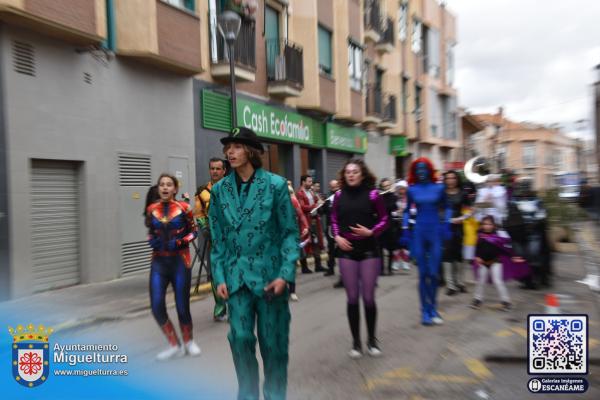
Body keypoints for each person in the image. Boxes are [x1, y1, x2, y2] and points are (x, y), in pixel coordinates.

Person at [209, 127, 299, 400]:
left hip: (271, 279)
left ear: (250, 151)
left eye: (236, 147)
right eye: (228, 147)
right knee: (240, 339)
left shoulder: (275, 185)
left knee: (273, 345)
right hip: (236, 280)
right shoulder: (219, 190)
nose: (229, 152)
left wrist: (285, 274)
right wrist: (219, 277)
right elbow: (218, 239)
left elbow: (289, 234)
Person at [331, 158, 388, 358]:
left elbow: (384, 219)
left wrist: (371, 232)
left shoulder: (373, 194)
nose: (351, 174)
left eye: (355, 171)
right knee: (352, 298)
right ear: (344, 175)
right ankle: (356, 343)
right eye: (348, 172)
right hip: (346, 251)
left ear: (362, 174)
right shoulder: (338, 195)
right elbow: (334, 219)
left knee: (369, 297)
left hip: (369, 251)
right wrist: (337, 237)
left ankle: (372, 340)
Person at [146, 173, 200, 360]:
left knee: (182, 306)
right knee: (156, 306)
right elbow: (150, 231)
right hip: (159, 263)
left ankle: (188, 342)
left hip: (179, 262)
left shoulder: (184, 208)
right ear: (158, 188)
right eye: (162, 184)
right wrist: (151, 240)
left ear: (175, 189)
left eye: (169, 184)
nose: (165, 188)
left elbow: (194, 232)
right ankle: (174, 345)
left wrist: (180, 242)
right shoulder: (151, 208)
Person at [401, 158, 452, 326]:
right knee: (423, 274)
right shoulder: (412, 190)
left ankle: (433, 308)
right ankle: (424, 311)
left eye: (423, 169)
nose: (420, 172)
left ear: (429, 170)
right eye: (417, 169)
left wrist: (446, 224)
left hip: (435, 232)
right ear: (414, 172)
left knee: (434, 273)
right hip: (419, 233)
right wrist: (405, 229)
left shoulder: (440, 187)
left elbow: (448, 207)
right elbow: (407, 211)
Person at [193, 157, 228, 322]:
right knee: (215, 273)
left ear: (224, 171)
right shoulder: (201, 192)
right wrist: (204, 228)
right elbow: (198, 213)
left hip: (234, 238)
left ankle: (236, 306)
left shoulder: (233, 189)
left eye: (218, 169)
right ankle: (220, 306)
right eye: (212, 168)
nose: (215, 171)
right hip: (214, 239)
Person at [471, 216, 528, 311]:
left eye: (489, 224)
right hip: (483, 263)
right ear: (482, 225)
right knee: (480, 281)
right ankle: (477, 299)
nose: (487, 226)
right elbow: (477, 248)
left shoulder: (498, 236)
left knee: (498, 281)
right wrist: (477, 257)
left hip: (496, 262)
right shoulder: (480, 236)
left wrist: (512, 257)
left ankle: (506, 302)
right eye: (485, 224)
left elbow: (505, 249)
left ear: (493, 225)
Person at [442, 170, 468, 295]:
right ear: (445, 180)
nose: (451, 180)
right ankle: (450, 285)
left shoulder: (463, 194)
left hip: (458, 227)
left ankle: (460, 282)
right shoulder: (441, 194)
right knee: (447, 254)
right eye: (448, 178)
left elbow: (470, 210)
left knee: (458, 254)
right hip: (445, 227)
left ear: (457, 179)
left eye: (453, 178)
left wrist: (461, 218)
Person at [296, 175, 326, 273]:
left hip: (314, 220)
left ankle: (318, 265)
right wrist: (315, 205)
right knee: (305, 242)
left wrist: (321, 202)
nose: (311, 183)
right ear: (303, 182)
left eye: (311, 181)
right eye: (309, 181)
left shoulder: (312, 192)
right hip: (306, 221)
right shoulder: (299, 193)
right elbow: (302, 207)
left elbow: (317, 202)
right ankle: (304, 267)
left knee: (316, 241)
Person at [287, 180, 310, 302]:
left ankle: (292, 291)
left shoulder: (293, 201)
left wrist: (305, 226)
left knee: (290, 264)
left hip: (291, 236)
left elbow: (301, 215)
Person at [378, 178, 400, 275]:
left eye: (388, 185)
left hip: (390, 224)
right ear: (381, 187)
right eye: (385, 186)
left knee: (391, 247)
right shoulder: (378, 196)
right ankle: (381, 269)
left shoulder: (393, 196)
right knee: (380, 247)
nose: (386, 187)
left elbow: (394, 207)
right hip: (380, 223)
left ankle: (390, 269)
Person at [320, 179, 341, 280]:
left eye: (335, 187)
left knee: (342, 248)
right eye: (332, 187)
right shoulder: (328, 199)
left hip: (341, 226)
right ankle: (331, 268)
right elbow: (322, 212)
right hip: (330, 227)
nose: (333, 189)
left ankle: (344, 270)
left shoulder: (343, 196)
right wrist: (320, 204)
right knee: (331, 248)